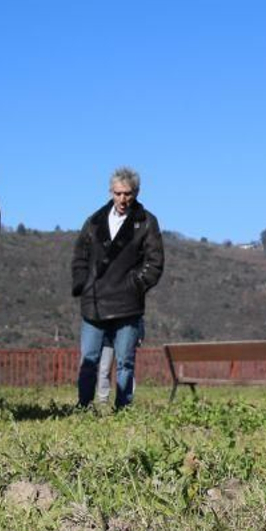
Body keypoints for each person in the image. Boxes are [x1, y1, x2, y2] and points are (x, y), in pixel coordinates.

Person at [71, 167, 164, 409]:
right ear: (111, 192)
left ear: (136, 193)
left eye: (128, 194)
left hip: (127, 303)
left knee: (125, 361)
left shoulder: (146, 222)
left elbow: (155, 262)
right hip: (94, 301)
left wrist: (136, 285)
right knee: (88, 359)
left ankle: (123, 408)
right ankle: (84, 406)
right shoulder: (94, 221)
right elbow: (80, 255)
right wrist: (82, 283)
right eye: (118, 193)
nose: (123, 199)